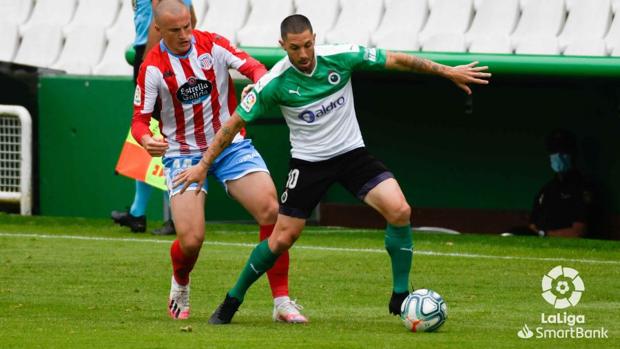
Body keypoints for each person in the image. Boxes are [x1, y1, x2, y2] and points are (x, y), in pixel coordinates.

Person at [172, 14, 491, 324]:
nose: (304, 54)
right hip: (309, 165)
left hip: (353, 156)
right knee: (282, 239)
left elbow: (397, 60)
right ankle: (232, 300)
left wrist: (445, 71)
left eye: (308, 45)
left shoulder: (340, 56)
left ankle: (399, 294)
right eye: (295, 48)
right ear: (283, 45)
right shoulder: (275, 83)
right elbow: (233, 124)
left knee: (400, 210)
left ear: (315, 39)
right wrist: (203, 165)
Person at [131, 0, 307, 322]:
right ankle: (180, 282)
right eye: (175, 30)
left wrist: (258, 81)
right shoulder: (153, 67)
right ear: (158, 30)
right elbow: (139, 120)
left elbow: (253, 66)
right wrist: (146, 139)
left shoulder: (213, 44)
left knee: (271, 210)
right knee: (192, 239)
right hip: (183, 154)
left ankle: (281, 301)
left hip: (228, 145)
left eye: (187, 26)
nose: (185, 34)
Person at [112, 0, 196, 235]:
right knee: (155, 133)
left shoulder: (155, 51)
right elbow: (192, 19)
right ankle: (139, 212)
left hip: (154, 53)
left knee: (161, 134)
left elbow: (157, 23)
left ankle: (175, 215)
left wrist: (149, 62)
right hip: (160, 53)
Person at [527, 129, 594, 238]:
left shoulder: (582, 188)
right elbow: (532, 225)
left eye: (563, 151)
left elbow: (578, 232)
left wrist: (545, 234)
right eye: (554, 151)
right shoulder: (546, 190)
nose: (558, 155)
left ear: (573, 154)